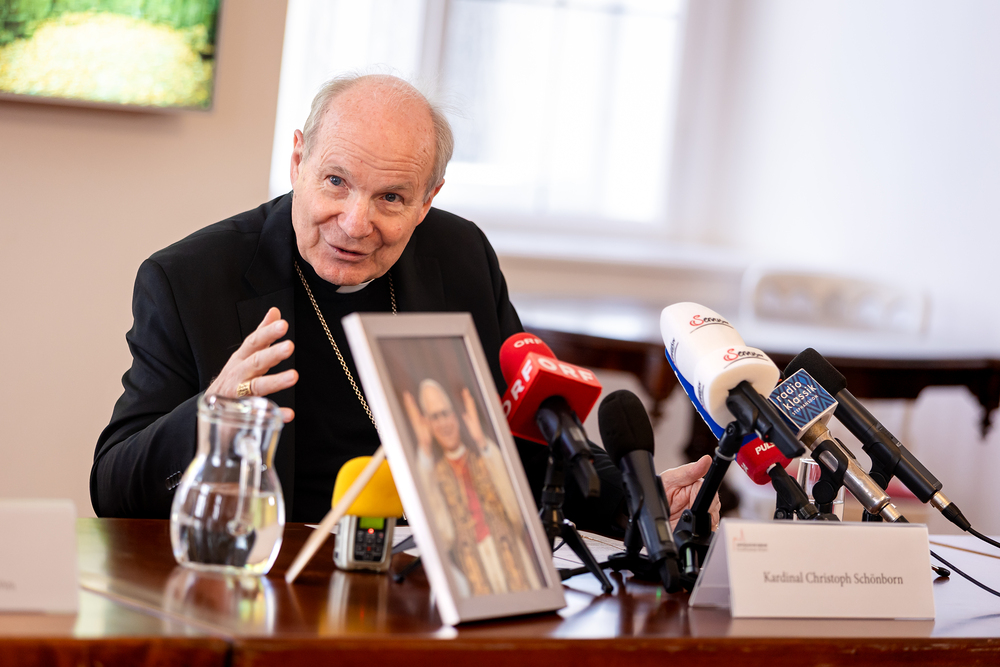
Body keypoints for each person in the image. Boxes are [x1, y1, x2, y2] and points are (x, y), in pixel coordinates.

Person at [92, 73, 719, 533]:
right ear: (298, 159)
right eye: (336, 182)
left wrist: (639, 495)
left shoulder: (460, 257)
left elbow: (526, 439)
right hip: (271, 584)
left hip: (428, 590)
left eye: (391, 198)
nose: (354, 222)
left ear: (428, 199)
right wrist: (212, 416)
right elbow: (113, 488)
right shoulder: (190, 279)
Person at [403, 379, 542, 596]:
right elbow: (444, 536)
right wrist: (425, 449)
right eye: (435, 417)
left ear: (456, 416)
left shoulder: (486, 457)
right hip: (469, 569)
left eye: (446, 413)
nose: (444, 424)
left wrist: (481, 441)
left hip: (512, 560)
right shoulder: (434, 473)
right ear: (427, 424)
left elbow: (516, 514)